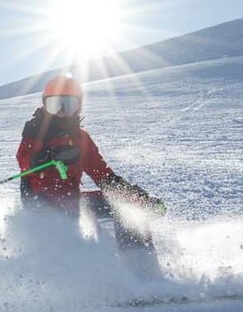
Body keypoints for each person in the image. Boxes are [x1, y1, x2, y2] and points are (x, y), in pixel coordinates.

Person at [16, 74, 164, 246]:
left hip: (73, 201)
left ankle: (138, 262)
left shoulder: (81, 138)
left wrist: (133, 196)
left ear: (78, 106)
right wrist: (49, 155)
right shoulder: (35, 130)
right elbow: (24, 159)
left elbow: (103, 175)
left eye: (68, 104)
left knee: (125, 206)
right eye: (55, 105)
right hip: (42, 203)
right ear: (45, 105)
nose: (62, 112)